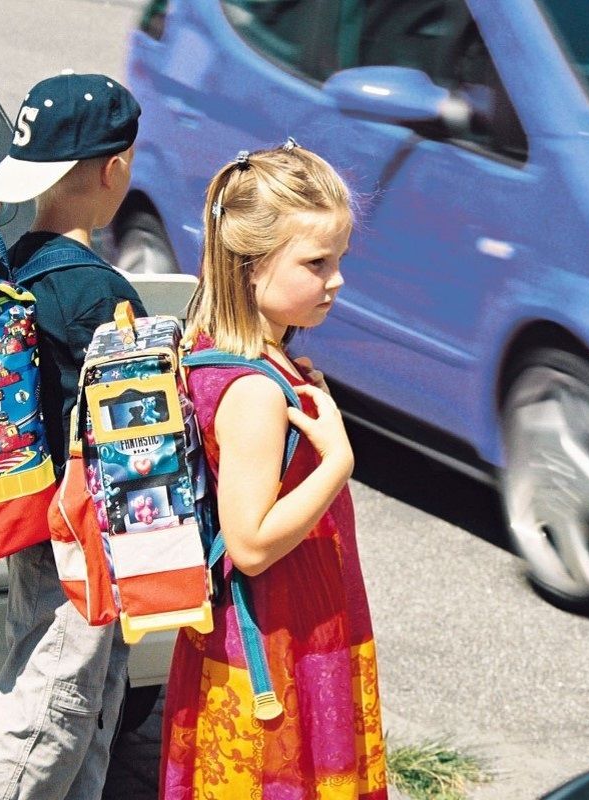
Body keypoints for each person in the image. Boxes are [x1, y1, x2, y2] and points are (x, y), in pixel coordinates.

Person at [160, 142, 387, 799]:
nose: (336, 279)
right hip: (277, 638)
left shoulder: (223, 348)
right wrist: (338, 461)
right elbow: (253, 543)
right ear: (252, 267)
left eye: (339, 259)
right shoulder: (254, 392)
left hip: (280, 623)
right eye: (317, 263)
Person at [0, 71, 147, 800]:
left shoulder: (12, 260)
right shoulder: (98, 293)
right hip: (80, 538)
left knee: (89, 707)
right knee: (48, 718)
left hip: (34, 520)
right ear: (114, 168)